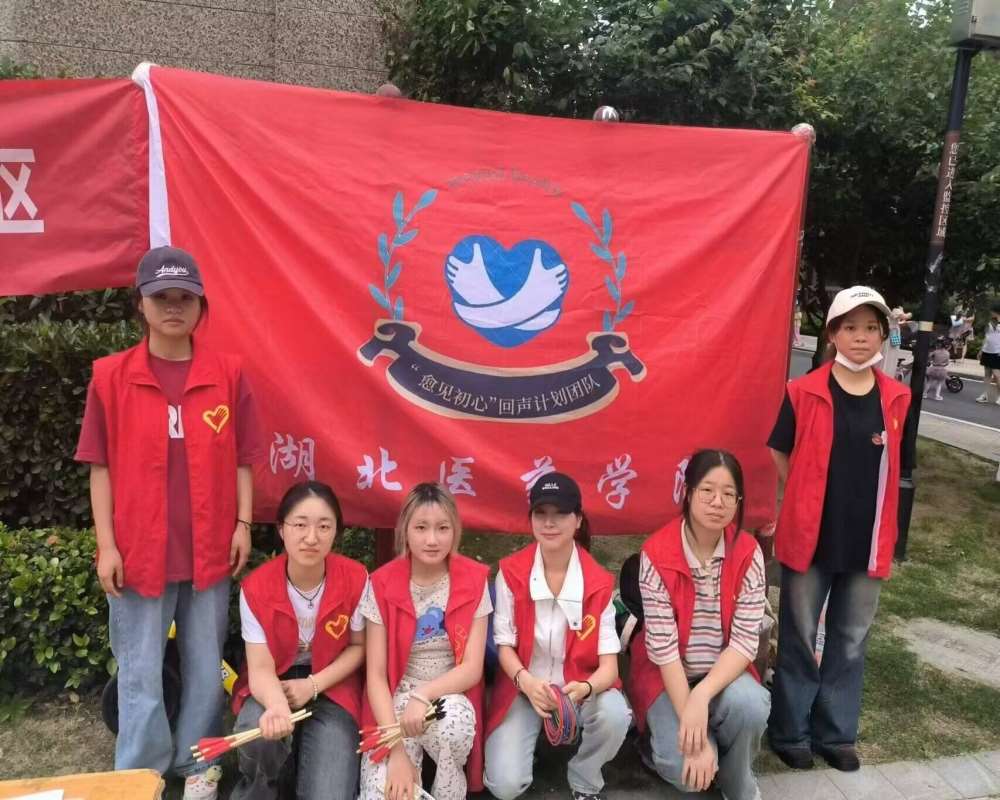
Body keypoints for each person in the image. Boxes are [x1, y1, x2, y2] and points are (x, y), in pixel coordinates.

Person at [75, 246, 264, 800]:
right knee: (140, 670)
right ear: (141, 304)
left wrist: (243, 523)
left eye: (185, 298)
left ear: (202, 306)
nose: (174, 308)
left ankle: (197, 762)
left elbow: (244, 459)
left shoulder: (227, 375)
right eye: (162, 298)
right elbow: (100, 468)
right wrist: (107, 545)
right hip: (138, 551)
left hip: (208, 548)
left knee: (205, 666)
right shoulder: (111, 377)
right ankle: (140, 770)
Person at [767, 286, 912, 772]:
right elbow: (779, 450)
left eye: (871, 328)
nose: (861, 337)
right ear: (832, 334)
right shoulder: (803, 391)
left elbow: (900, 465)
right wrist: (804, 493)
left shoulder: (897, 398)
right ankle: (791, 732)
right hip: (810, 537)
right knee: (799, 636)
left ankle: (835, 733)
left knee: (850, 640)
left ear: (883, 335)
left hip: (866, 541)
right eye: (850, 327)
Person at [626, 450, 769, 800]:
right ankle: (667, 751)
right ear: (688, 493)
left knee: (751, 706)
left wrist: (701, 697)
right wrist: (696, 736)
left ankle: (738, 788)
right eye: (707, 490)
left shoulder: (748, 552)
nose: (717, 502)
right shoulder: (656, 554)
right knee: (685, 770)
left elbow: (744, 643)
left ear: (738, 501)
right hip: (667, 676)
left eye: (728, 493)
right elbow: (664, 651)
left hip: (721, 675)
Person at [484, 473, 631, 800]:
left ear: (578, 520)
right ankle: (529, 741)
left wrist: (585, 689)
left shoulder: (599, 582)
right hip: (523, 687)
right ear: (531, 519)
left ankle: (585, 779)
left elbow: (609, 669)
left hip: (577, 689)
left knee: (615, 714)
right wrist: (526, 682)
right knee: (504, 786)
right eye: (541, 513)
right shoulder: (511, 572)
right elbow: (504, 645)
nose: (549, 523)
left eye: (561, 513)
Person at [230, 481, 368, 800]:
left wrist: (313, 685)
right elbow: (260, 668)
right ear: (282, 529)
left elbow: (358, 647)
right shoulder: (256, 587)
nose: (311, 537)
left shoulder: (356, 578)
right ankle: (259, 789)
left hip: (333, 683)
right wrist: (277, 706)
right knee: (257, 732)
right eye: (300, 525)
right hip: (274, 680)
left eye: (324, 526)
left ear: (336, 531)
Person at [360, 483, 491, 800]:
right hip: (395, 698)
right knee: (383, 792)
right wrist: (396, 753)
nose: (432, 539)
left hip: (447, 696)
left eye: (442, 528)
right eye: (421, 528)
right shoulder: (380, 583)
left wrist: (424, 695)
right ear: (405, 530)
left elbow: (472, 667)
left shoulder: (474, 580)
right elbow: (376, 675)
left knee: (454, 725)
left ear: (455, 531)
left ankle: (449, 790)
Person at [975, 303, 1000, 405]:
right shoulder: (989, 322)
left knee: (997, 375)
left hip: (997, 352)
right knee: (987, 375)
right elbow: (987, 337)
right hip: (987, 351)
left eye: (992, 311)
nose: (991, 313)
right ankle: (985, 395)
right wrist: (981, 350)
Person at [924, 337, 951, 402]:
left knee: (929, 382)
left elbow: (929, 356)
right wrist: (943, 364)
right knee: (939, 384)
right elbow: (947, 363)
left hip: (933, 368)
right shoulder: (947, 353)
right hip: (942, 370)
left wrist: (932, 359)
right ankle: (937, 396)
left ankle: (924, 394)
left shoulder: (935, 352)